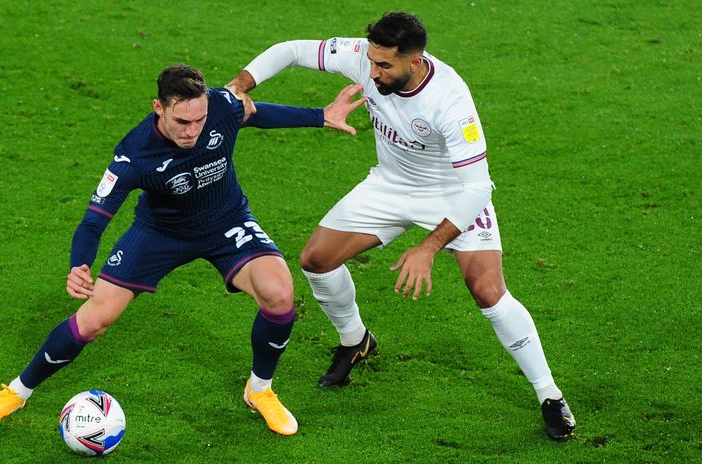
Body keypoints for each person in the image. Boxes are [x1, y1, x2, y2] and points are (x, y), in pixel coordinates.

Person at [226, 12, 576, 440]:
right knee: (316, 260)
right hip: (389, 186)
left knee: (487, 290)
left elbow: (477, 187)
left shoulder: (450, 101)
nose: (372, 73)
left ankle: (549, 395)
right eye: (371, 61)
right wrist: (240, 86)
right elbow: (292, 50)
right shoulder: (366, 57)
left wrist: (428, 248)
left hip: (452, 193)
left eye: (384, 66)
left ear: (415, 61)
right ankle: (355, 341)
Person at [0, 64, 365, 436]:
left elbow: (257, 114)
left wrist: (320, 115)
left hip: (226, 221)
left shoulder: (221, 106)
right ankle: (17, 391)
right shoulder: (133, 155)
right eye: (182, 122)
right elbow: (94, 220)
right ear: (158, 108)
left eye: (199, 120)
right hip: (160, 233)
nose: (192, 131)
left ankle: (259, 390)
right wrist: (80, 265)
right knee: (93, 320)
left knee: (279, 295)